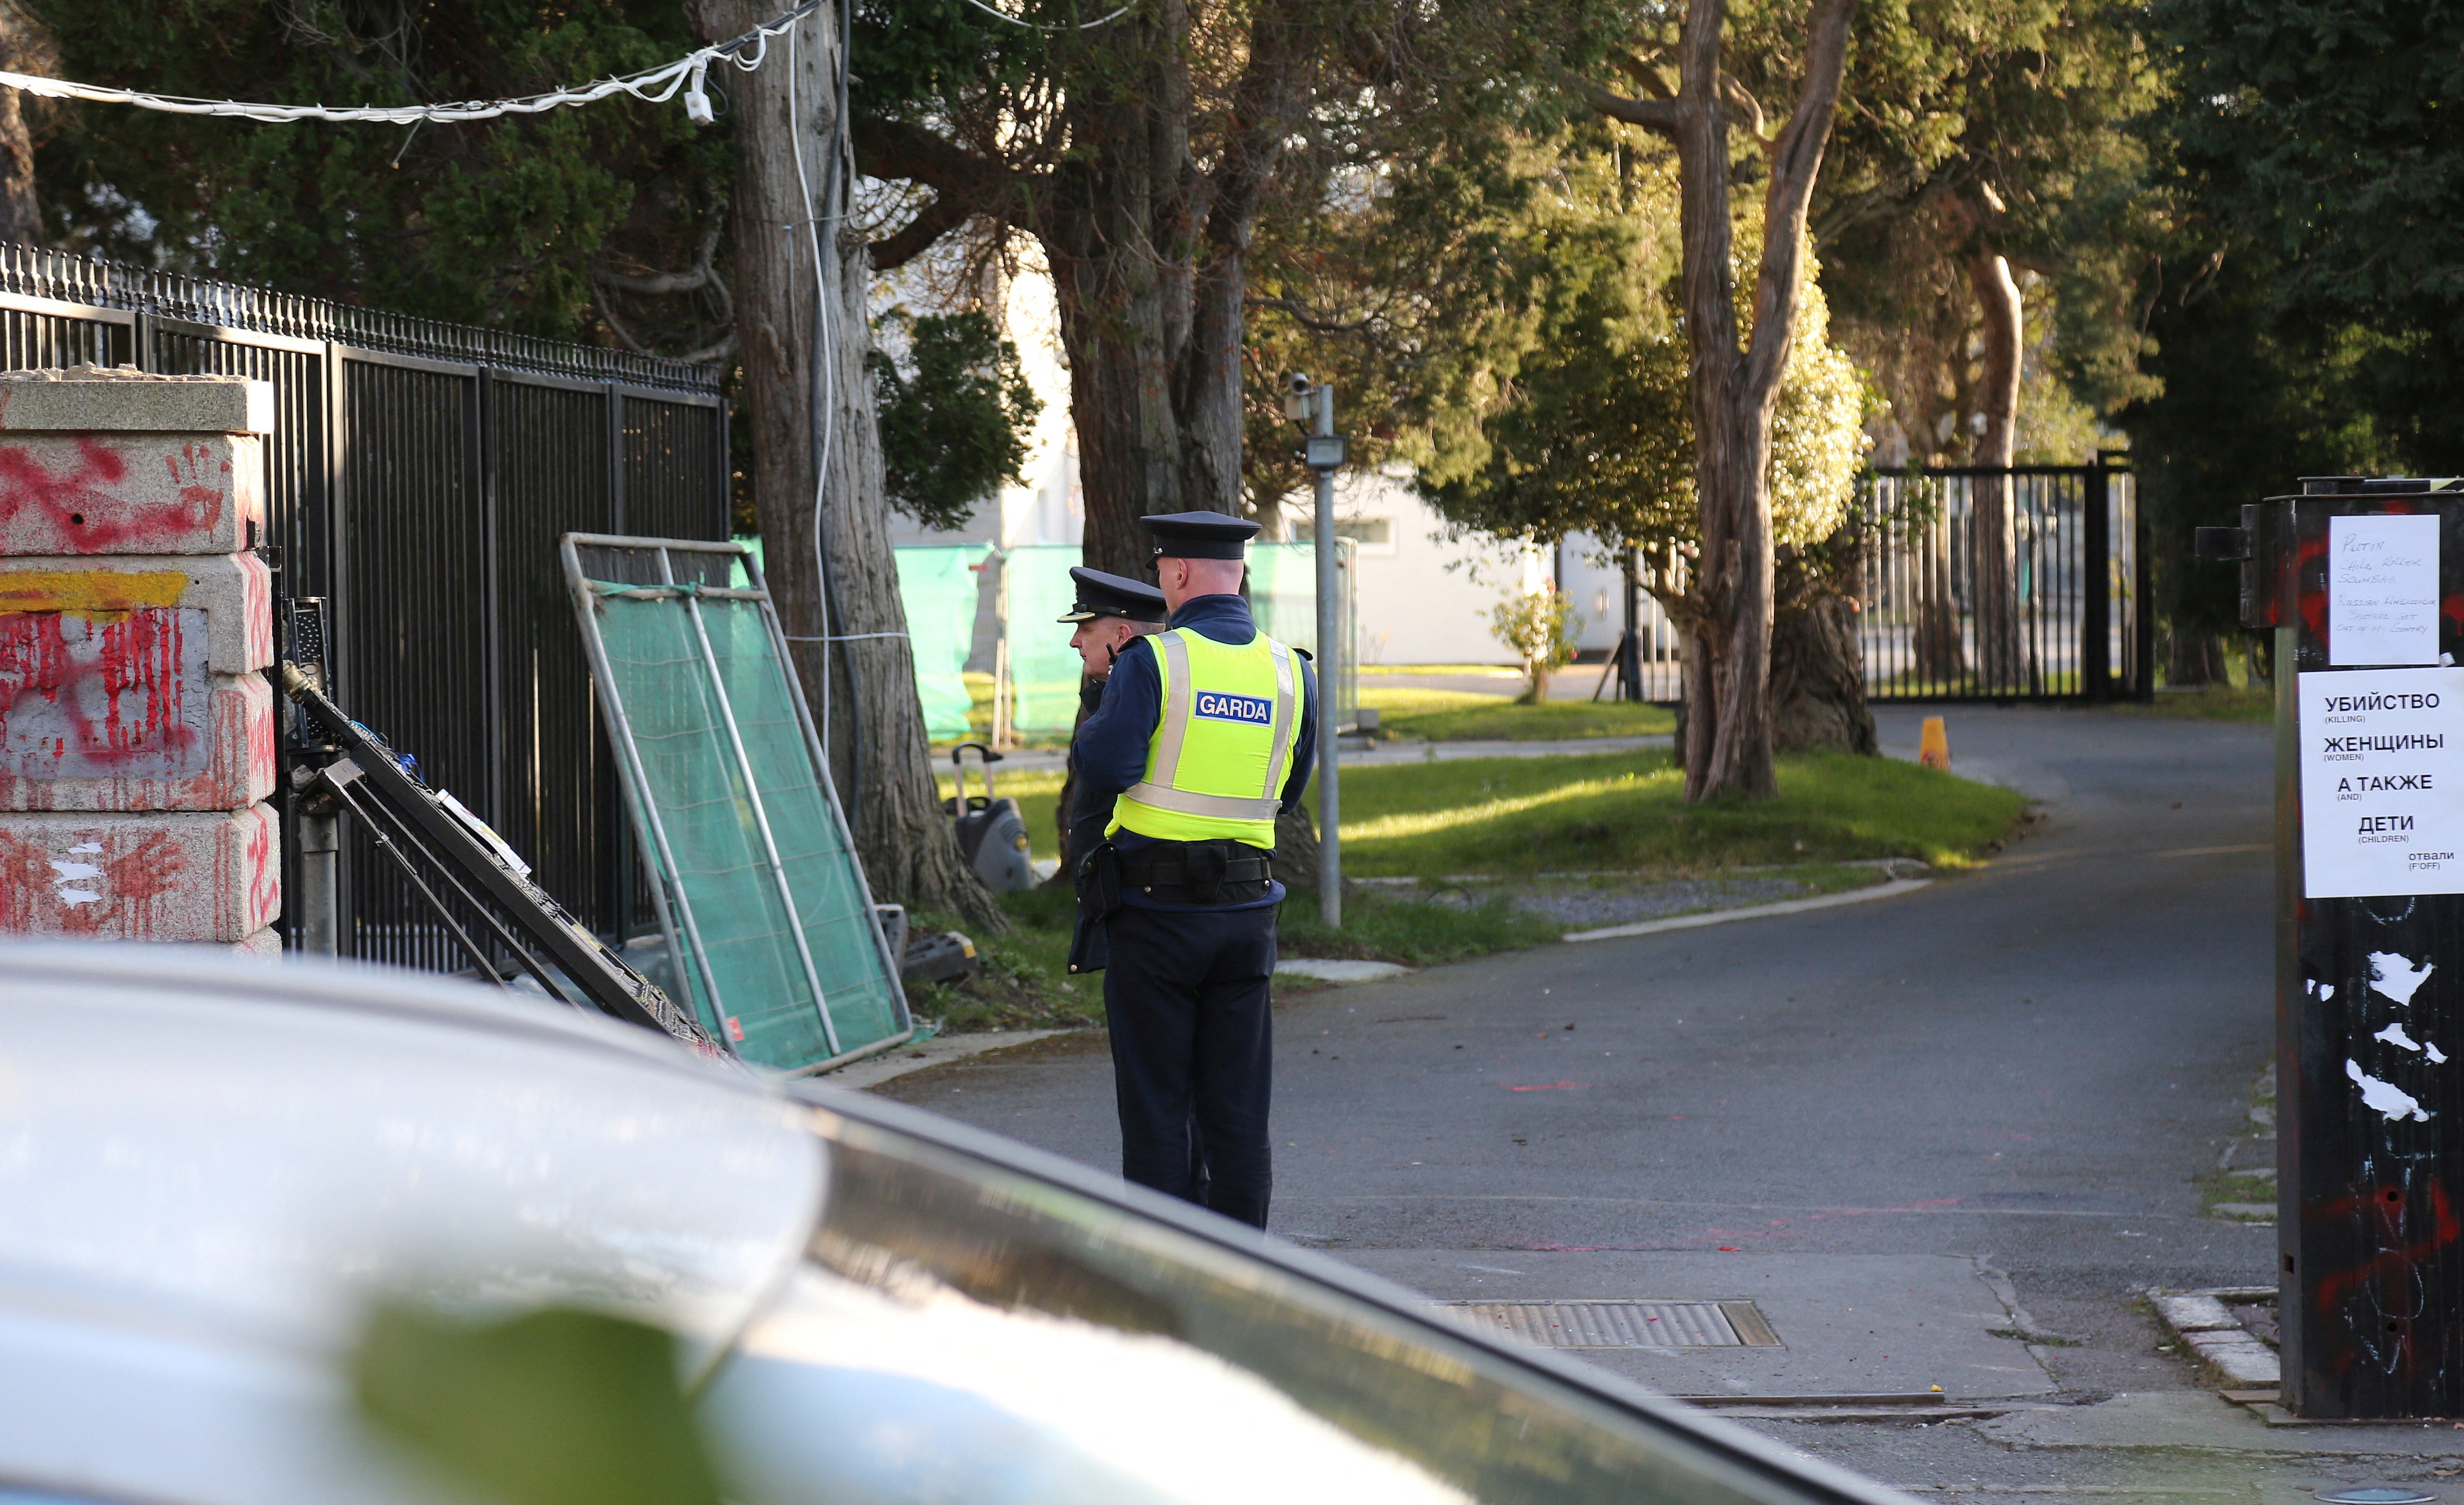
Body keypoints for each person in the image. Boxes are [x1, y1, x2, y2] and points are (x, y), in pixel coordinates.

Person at [1068, 512, 1317, 1230]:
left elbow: (1108, 766)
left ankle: (1166, 1267)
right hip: (1246, 913)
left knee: (1156, 1104)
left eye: (1159, 571)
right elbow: (1288, 791)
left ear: (1177, 573)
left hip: (1156, 916)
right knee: (1237, 1107)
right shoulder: (1289, 670)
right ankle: (1241, 1264)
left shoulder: (1157, 660)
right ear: (1235, 573)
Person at [1054, 566, 1166, 978]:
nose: (1074, 641)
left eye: (1085, 628)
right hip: (1122, 893)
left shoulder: (1138, 695)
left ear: (1121, 636)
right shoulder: (1106, 691)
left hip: (1143, 897)